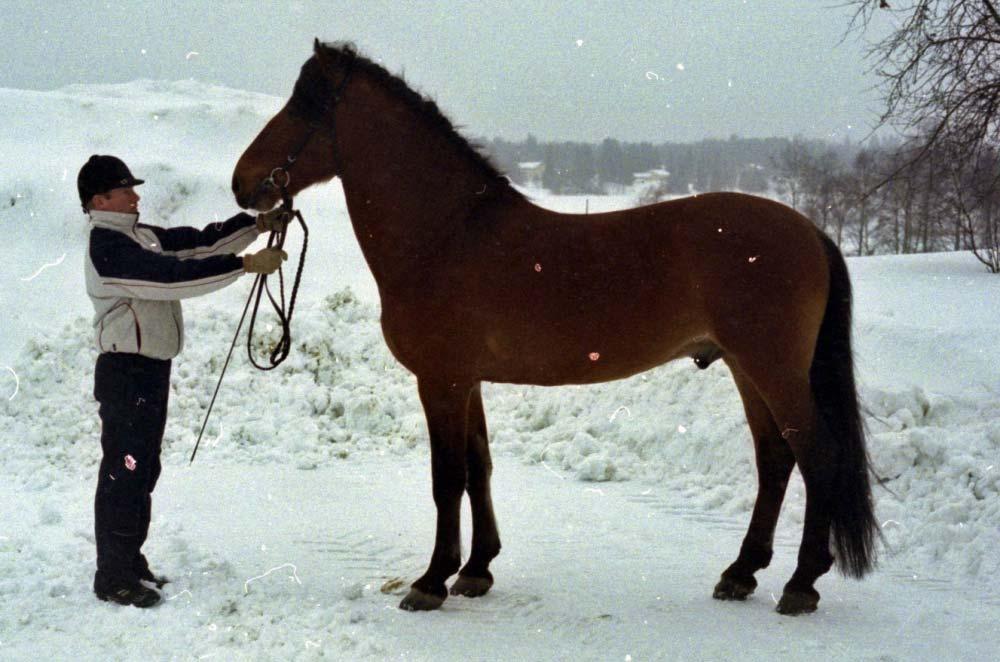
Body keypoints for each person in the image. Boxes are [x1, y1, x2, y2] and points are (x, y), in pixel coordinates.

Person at [79, 154, 288, 608]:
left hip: (149, 370)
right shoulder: (107, 248)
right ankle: (112, 576)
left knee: (143, 467)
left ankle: (130, 561)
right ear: (100, 200)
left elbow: (195, 243)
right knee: (125, 471)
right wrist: (246, 266)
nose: (136, 196)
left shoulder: (140, 236)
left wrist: (257, 224)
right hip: (125, 373)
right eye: (125, 190)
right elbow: (169, 278)